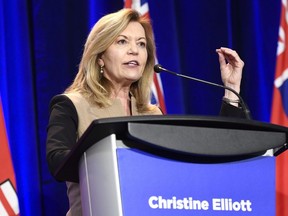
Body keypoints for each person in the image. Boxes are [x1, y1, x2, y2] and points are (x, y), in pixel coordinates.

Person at [46, 8, 248, 216]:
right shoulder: (71, 104)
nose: (134, 50)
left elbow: (198, 161)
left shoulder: (152, 114)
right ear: (100, 57)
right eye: (122, 41)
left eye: (141, 44)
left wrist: (231, 92)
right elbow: (58, 161)